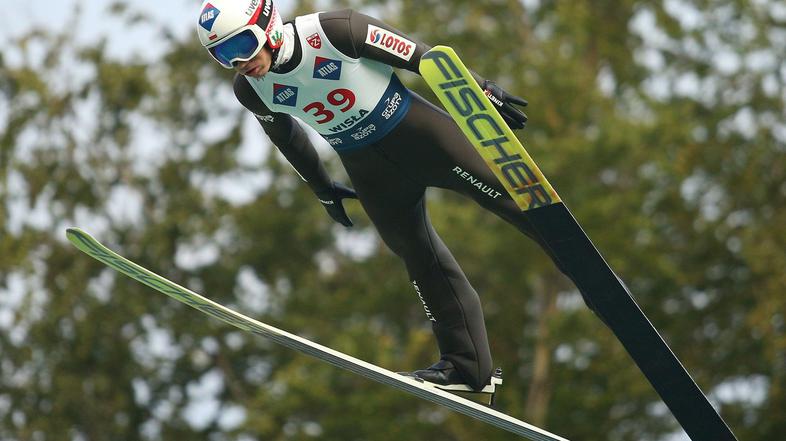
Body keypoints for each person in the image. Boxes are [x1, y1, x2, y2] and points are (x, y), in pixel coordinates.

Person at [197, 0, 531, 394]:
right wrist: (321, 187)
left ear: (267, 25)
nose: (239, 62)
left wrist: (481, 88)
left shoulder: (336, 31)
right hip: (371, 174)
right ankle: (467, 366)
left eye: (241, 46)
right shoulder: (251, 89)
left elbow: (422, 57)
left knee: (524, 207)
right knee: (417, 254)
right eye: (224, 55)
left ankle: (596, 281)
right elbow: (288, 139)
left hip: (424, 140)